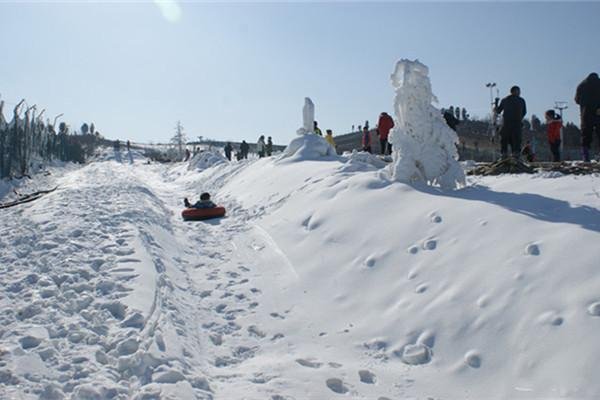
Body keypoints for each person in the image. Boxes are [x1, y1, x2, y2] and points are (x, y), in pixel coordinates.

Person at [496, 85, 527, 159]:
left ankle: (504, 153)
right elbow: (524, 112)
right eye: (519, 91)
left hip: (506, 123)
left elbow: (498, 111)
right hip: (517, 124)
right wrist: (519, 118)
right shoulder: (521, 100)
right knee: (516, 140)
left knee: (505, 139)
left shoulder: (504, 100)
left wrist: (496, 104)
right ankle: (516, 154)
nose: (520, 93)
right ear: (516, 91)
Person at [575, 72, 600, 162]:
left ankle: (585, 156)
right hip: (598, 112)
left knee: (585, 135)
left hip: (586, 113)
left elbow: (577, 100)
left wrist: (585, 104)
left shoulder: (581, 85)